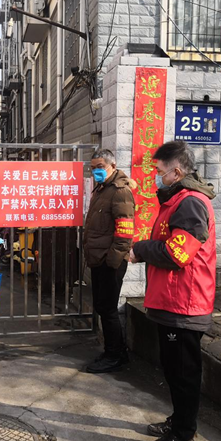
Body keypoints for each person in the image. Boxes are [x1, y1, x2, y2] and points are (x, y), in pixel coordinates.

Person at [129, 141, 216, 441]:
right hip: (172, 301)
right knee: (174, 370)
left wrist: (140, 249)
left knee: (183, 374)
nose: (156, 176)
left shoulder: (190, 203)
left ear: (176, 172)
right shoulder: (178, 199)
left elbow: (178, 253)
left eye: (159, 171)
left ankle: (183, 436)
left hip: (185, 305)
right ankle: (179, 421)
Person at [83, 149, 135, 374]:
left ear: (112, 166)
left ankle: (115, 355)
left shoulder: (120, 191)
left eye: (100, 167)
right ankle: (114, 351)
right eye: (93, 167)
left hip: (109, 261)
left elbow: (125, 232)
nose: (96, 171)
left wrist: (112, 261)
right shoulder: (102, 188)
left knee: (108, 308)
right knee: (102, 306)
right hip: (99, 258)